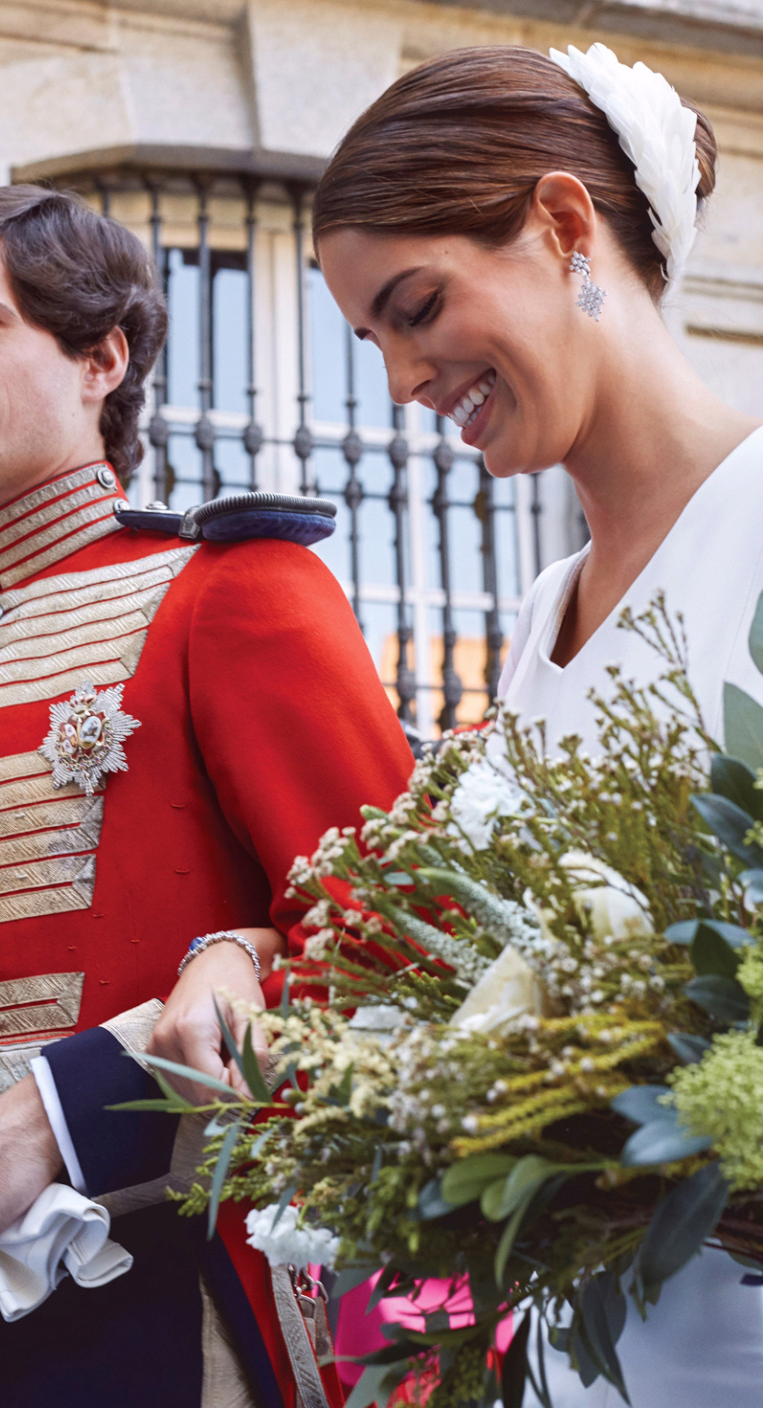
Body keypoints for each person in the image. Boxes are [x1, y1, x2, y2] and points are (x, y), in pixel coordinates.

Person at [0, 185, 413, 1406]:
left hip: (159, 1291)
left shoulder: (230, 589)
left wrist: (69, 1112)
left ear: (103, 356)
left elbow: (395, 949)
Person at [310, 40, 763, 1408]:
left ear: (567, 225)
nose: (401, 382)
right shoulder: (538, 612)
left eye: (418, 305)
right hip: (591, 1357)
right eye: (373, 341)